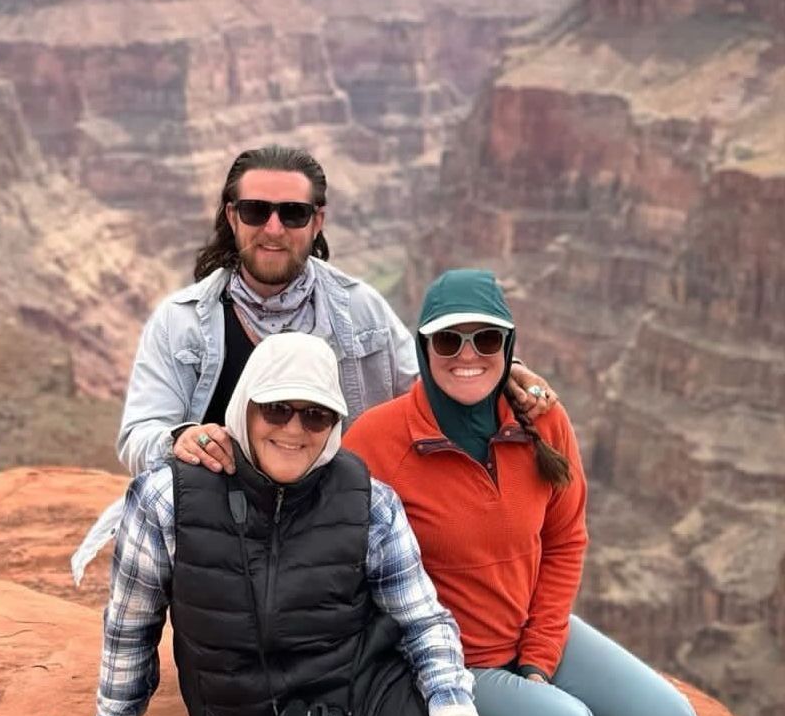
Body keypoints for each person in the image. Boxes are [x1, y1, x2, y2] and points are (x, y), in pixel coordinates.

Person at [47, 333, 698, 716]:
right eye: (277, 408)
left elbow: (425, 622)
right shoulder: (166, 499)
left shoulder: (367, 501)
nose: (294, 428)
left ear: (333, 421)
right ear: (244, 405)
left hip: (368, 690)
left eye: (315, 413)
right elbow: (129, 631)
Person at [72, 144, 555, 580]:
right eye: (257, 211)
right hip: (221, 545)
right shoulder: (181, 324)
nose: (274, 229)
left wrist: (501, 371)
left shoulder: (359, 309)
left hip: (340, 538)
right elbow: (137, 436)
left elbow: (427, 387)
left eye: (294, 214)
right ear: (232, 216)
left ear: (317, 222)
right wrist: (182, 438)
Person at [342, 269, 699, 716]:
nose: (467, 355)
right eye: (448, 340)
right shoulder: (378, 440)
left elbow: (565, 541)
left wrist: (540, 654)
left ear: (508, 347)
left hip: (533, 627)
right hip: (455, 663)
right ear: (424, 348)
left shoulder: (544, 420)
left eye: (485, 339)